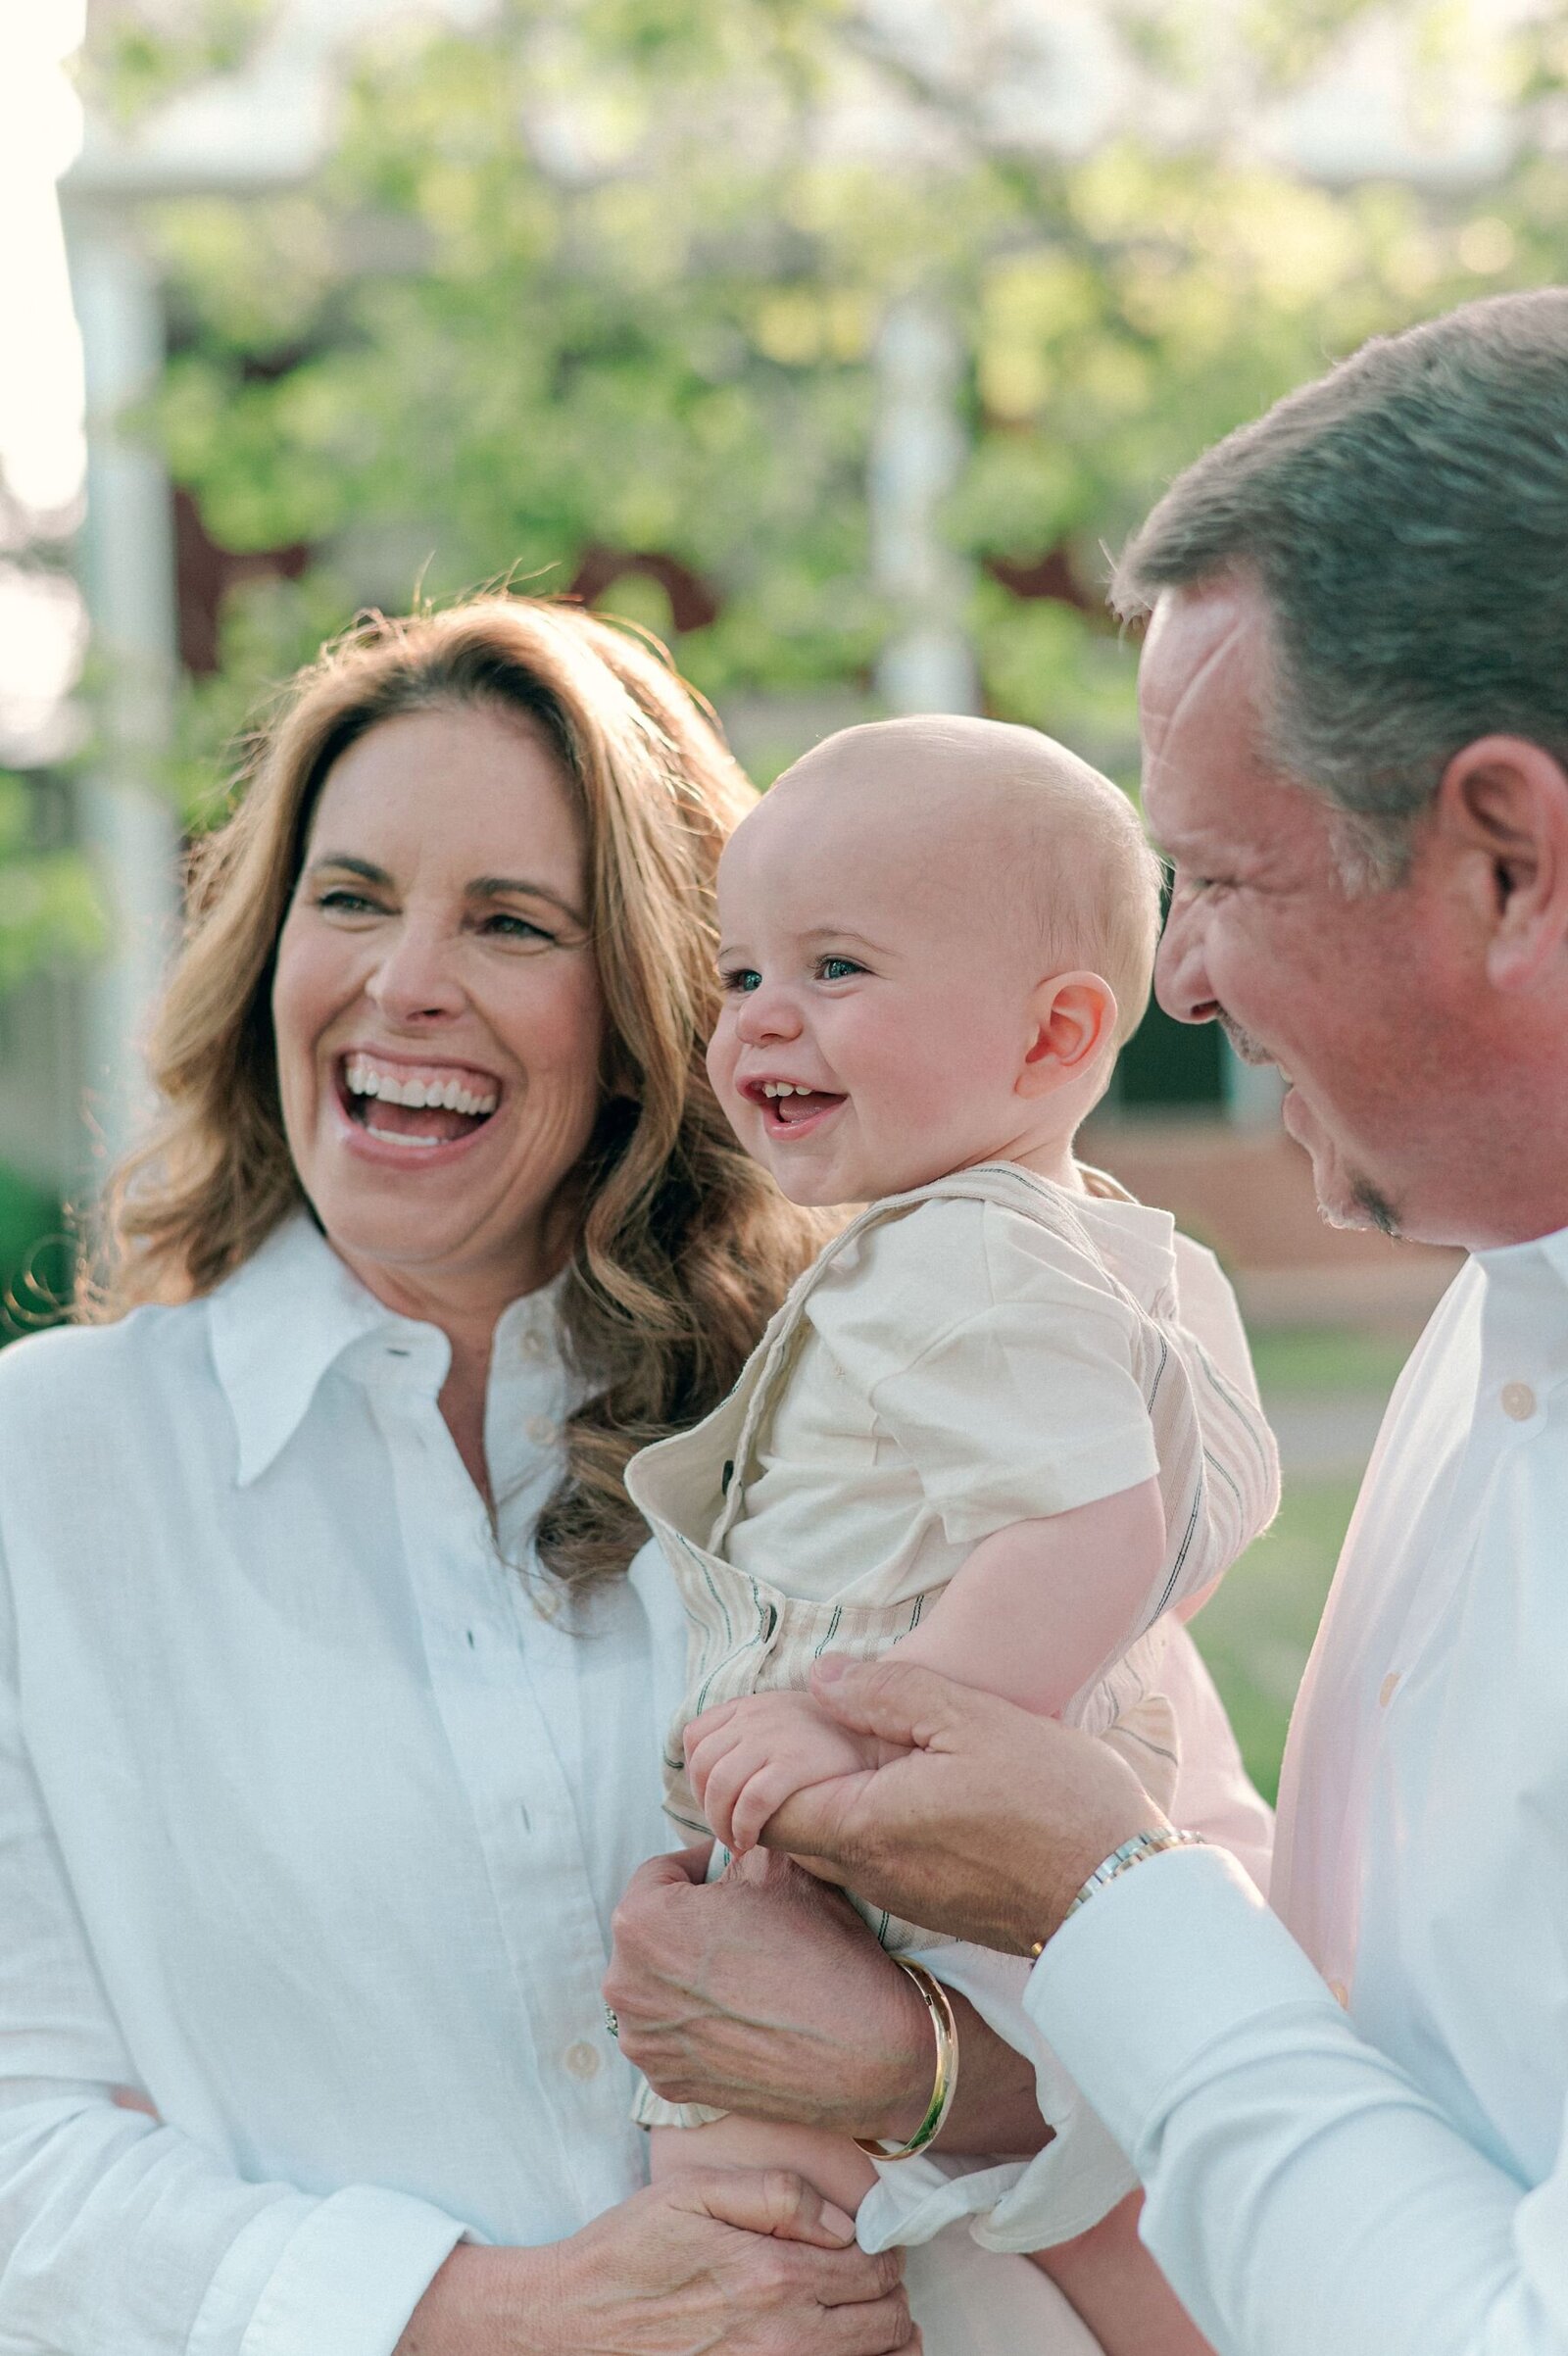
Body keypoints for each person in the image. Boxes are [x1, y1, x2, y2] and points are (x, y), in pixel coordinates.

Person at [0, 591, 1257, 2355]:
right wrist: (505, 2315)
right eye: (348, 897)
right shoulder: (46, 1468)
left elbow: (1235, 2017)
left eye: (514, 922)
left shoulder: (889, 1386)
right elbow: (19, 2159)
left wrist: (928, 2077)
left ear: (650, 1005)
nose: (404, 980)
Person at [746, 287, 1568, 2356]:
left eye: (1211, 876)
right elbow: (1394, 2097)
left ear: (1502, 860)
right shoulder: (1489, 1318)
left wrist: (1100, 1903)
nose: (1173, 981)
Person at [628, 713, 1278, 2300]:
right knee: (1080, 2223)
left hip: (921, 1849)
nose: (763, 1023)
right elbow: (1193, 1527)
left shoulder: (952, 1257)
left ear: (1056, 1038)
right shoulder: (1127, 1253)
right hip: (1021, 1853)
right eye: (743, 976)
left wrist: (869, 1741)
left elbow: (1093, 1536)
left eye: (837, 971)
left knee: (750, 2191)